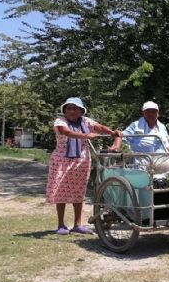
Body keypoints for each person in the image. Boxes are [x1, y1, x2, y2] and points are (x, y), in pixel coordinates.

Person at [47, 97, 121, 235]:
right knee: (61, 192)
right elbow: (66, 132)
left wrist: (112, 133)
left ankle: (77, 224)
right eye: (68, 108)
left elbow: (99, 127)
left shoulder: (86, 121)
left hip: (81, 161)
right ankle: (61, 224)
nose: (72, 111)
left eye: (75, 108)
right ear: (64, 110)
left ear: (81, 111)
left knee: (79, 192)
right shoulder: (60, 121)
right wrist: (85, 135)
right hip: (62, 161)